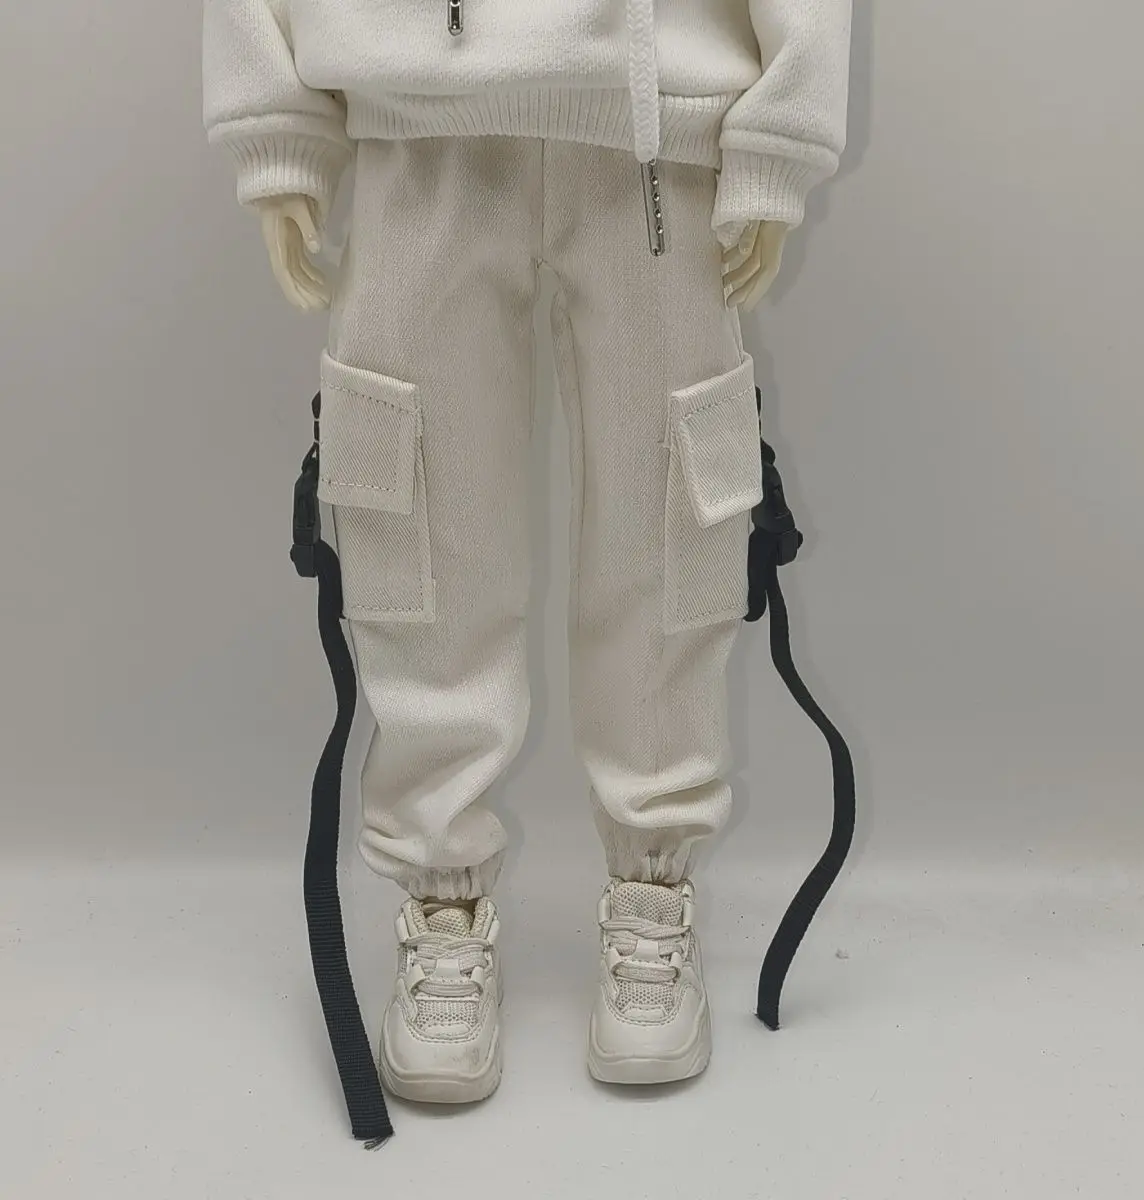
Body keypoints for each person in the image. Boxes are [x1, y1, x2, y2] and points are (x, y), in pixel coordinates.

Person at [203, 0, 852, 1104]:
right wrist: (277, 118)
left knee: (670, 514)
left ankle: (652, 885)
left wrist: (780, 126)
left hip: (655, 126)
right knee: (416, 510)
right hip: (421, 116)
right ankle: (442, 897)